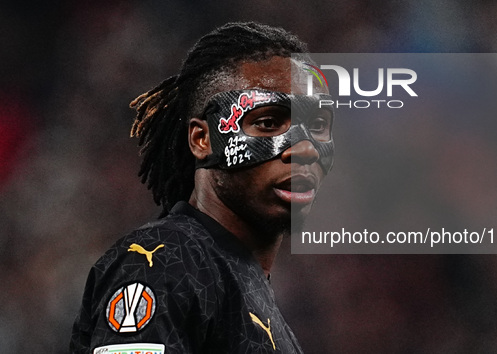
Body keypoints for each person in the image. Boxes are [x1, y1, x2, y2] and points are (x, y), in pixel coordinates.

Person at [70, 22, 334, 353]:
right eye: (268, 122)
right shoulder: (164, 263)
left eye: (319, 125)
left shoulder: (247, 291)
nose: (305, 148)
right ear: (202, 139)